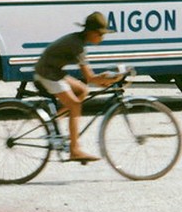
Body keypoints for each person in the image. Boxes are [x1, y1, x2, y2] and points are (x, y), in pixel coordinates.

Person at [33, 11, 124, 162]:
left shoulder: (78, 41)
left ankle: (54, 124)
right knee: (75, 105)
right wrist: (108, 79)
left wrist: (104, 79)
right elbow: (90, 77)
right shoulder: (77, 46)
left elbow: (89, 81)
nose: (102, 38)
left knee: (82, 90)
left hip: (52, 71)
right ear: (91, 32)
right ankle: (75, 150)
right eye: (100, 34)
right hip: (46, 74)